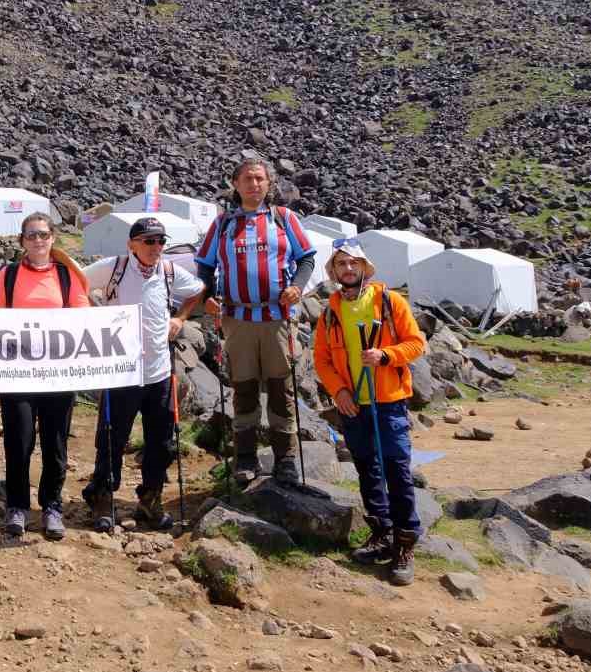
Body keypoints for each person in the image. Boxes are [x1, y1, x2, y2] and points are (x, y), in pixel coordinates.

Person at [194, 156, 319, 485]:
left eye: (260, 179)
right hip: (236, 318)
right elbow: (204, 266)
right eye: (247, 179)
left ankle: (286, 459)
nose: (254, 184)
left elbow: (306, 257)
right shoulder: (222, 224)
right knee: (244, 387)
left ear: (269, 183)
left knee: (281, 388)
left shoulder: (284, 219)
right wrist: (207, 294)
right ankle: (245, 458)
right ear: (235, 185)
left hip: (277, 317)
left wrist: (297, 287)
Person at [312, 239, 428, 585]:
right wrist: (340, 391)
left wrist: (386, 355)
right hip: (353, 403)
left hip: (388, 400)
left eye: (354, 263)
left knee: (397, 469)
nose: (348, 269)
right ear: (333, 272)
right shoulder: (330, 311)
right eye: (341, 264)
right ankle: (381, 531)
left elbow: (416, 343)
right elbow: (322, 359)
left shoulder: (390, 302)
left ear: (364, 267)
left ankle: (405, 543)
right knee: (367, 468)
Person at [81, 216, 205, 532]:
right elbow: (77, 283)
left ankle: (150, 501)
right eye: (148, 240)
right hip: (121, 372)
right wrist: (95, 317)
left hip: (160, 372)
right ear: (132, 243)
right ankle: (103, 498)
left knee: (161, 442)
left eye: (161, 241)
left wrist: (180, 318)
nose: (156, 247)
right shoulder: (114, 267)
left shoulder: (168, 270)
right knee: (112, 438)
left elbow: (199, 289)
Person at [0, 212, 91, 539]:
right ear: (22, 240)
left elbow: (82, 319)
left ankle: (51, 506)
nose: (38, 240)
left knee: (55, 442)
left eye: (43, 235)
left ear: (53, 239)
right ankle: (17, 506)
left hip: (58, 375)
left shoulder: (66, 276)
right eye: (31, 235)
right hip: (18, 374)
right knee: (18, 441)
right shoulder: (8, 275)